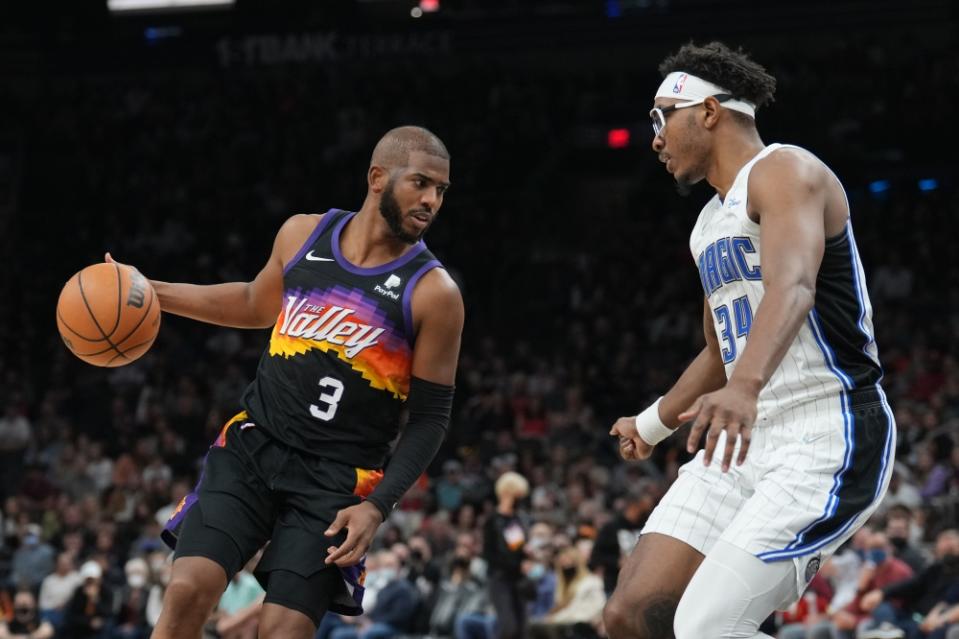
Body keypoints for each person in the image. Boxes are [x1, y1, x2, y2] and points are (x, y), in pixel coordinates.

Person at [112, 125, 463, 639]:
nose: (431, 200)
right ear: (377, 178)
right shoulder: (303, 233)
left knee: (282, 632)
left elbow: (431, 419)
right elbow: (256, 304)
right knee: (188, 589)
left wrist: (377, 506)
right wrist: (151, 289)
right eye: (420, 183)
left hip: (335, 483)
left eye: (441, 191)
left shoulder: (435, 293)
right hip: (255, 445)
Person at [604, 41, 896, 639]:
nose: (653, 138)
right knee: (632, 616)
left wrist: (745, 386)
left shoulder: (785, 170)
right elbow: (720, 350)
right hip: (742, 441)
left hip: (826, 428)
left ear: (708, 111)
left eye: (661, 118)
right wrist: (652, 424)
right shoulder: (707, 223)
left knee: (706, 626)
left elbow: (792, 287)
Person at [483, 471, 531, 639]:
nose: (520, 499)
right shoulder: (492, 521)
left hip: (519, 579)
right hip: (499, 578)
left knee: (522, 629)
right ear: (505, 493)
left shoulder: (520, 519)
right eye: (517, 495)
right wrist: (516, 563)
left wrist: (527, 554)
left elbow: (518, 548)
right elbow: (488, 554)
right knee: (508, 627)